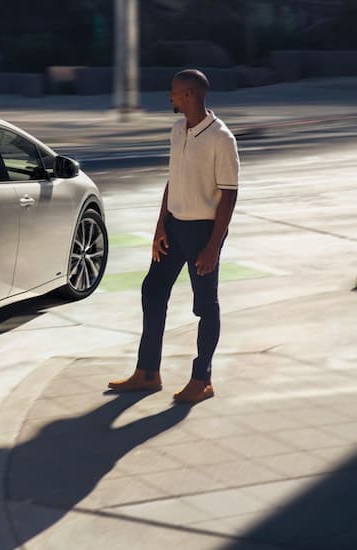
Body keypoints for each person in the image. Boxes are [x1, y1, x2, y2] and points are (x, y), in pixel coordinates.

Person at [108, 69, 239, 403]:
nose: (170, 96)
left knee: (205, 306)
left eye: (175, 91)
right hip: (175, 227)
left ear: (190, 94)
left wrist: (213, 246)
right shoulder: (178, 129)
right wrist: (160, 226)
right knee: (152, 291)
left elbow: (229, 195)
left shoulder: (221, 138)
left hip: (203, 232)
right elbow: (174, 180)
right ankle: (148, 372)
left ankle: (202, 379)